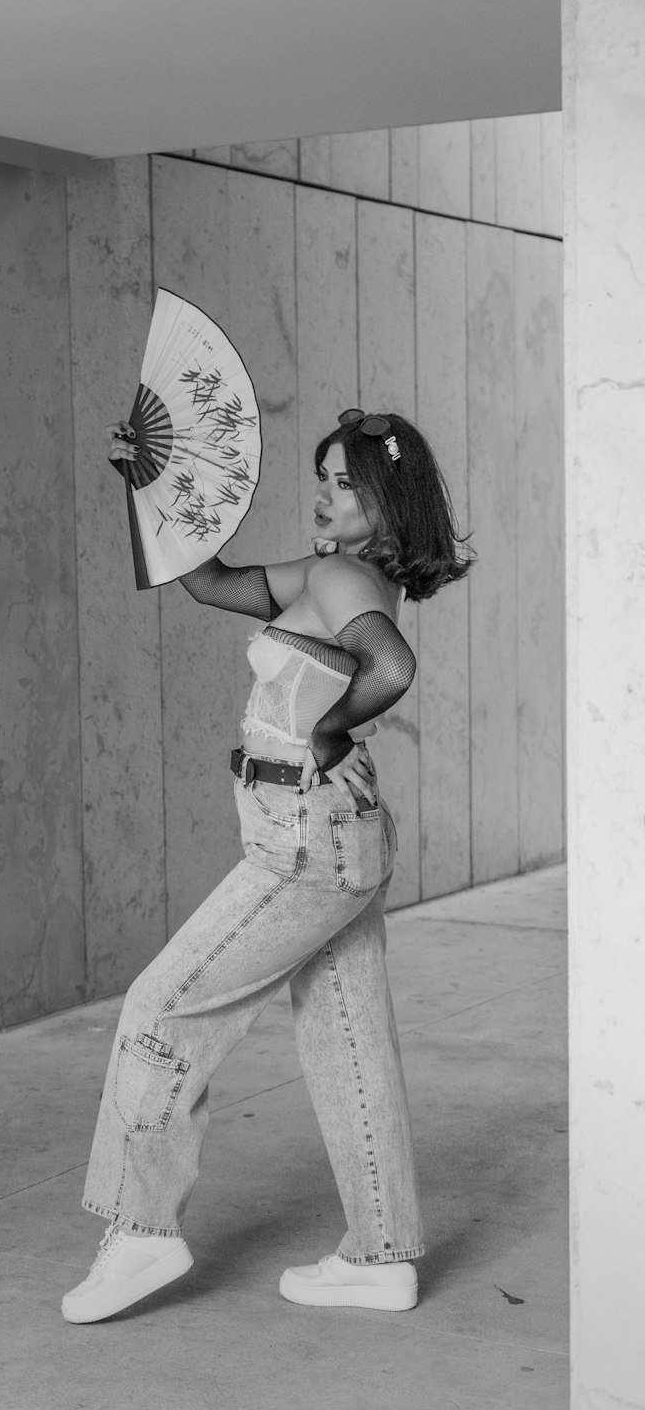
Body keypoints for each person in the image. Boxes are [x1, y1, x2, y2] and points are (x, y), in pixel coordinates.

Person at [61, 408, 473, 1325]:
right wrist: (153, 487)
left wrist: (327, 725)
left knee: (159, 1008)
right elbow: (206, 582)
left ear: (385, 501)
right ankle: (380, 1255)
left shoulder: (337, 575)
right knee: (350, 1041)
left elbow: (390, 668)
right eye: (322, 476)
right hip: (337, 831)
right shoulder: (330, 572)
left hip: (305, 839)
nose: (323, 493)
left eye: (342, 483)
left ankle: (142, 1234)